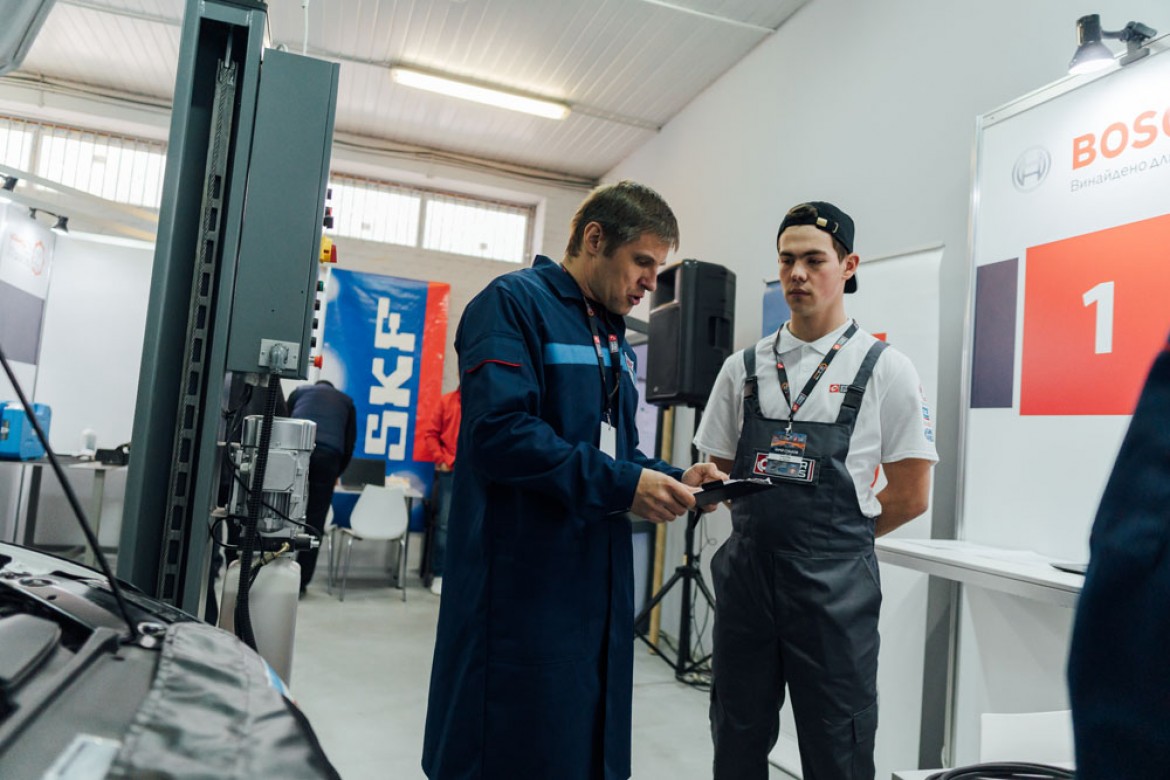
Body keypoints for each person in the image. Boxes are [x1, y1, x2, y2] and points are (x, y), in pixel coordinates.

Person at [422, 180, 726, 780]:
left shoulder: (611, 332)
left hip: (595, 582)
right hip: (523, 586)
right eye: (642, 262)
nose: (650, 282)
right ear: (593, 239)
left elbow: (616, 450)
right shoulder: (512, 304)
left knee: (581, 745)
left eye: (657, 268)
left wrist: (674, 476)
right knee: (514, 749)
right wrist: (624, 486)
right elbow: (500, 434)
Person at [694, 201, 937, 780]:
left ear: (848, 266)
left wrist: (837, 542)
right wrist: (703, 482)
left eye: (813, 260)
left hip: (835, 592)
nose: (797, 274)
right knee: (736, 734)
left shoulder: (885, 369)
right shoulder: (743, 368)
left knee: (839, 745)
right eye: (786, 260)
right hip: (748, 581)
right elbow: (718, 469)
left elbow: (911, 494)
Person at [287, 379, 357, 595]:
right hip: (329, 455)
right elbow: (349, 443)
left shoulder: (299, 392)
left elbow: (282, 423)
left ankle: (276, 570)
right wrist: (336, 473)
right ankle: (301, 583)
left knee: (283, 511)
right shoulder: (346, 401)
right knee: (315, 521)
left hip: (297, 450)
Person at [421, 384, 461, 596]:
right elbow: (430, 434)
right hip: (450, 470)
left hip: (477, 472)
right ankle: (439, 574)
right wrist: (441, 459)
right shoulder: (447, 401)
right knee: (444, 524)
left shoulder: (484, 401)